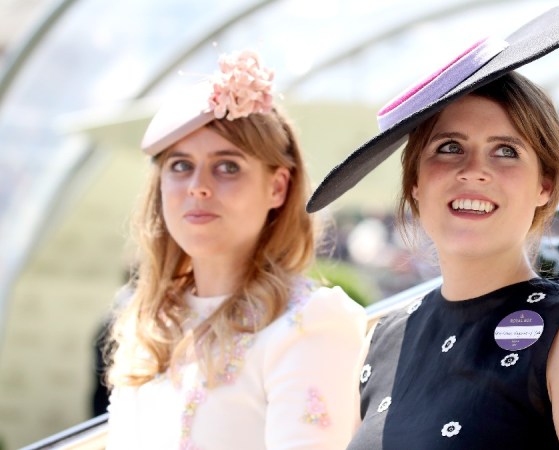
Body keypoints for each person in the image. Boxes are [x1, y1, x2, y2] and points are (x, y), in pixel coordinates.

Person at [306, 0, 559, 448]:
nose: (474, 170)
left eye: (506, 151)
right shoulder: (383, 339)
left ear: (545, 185)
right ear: (414, 181)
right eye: (449, 147)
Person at [104, 49, 366, 449]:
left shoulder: (308, 323)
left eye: (227, 166)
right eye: (179, 165)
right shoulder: (150, 327)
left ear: (277, 187)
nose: (198, 186)